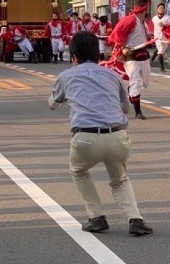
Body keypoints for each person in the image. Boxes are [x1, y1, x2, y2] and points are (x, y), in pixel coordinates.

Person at [48, 31, 152, 236]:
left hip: (85, 138)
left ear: (73, 57)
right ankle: (135, 219)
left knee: (79, 171)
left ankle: (96, 217)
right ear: (98, 55)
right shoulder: (112, 75)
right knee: (120, 179)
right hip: (117, 136)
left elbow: (52, 104)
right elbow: (125, 109)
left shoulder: (66, 76)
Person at [107, 0, 153, 119]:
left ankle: (132, 91)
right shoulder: (130, 19)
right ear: (144, 8)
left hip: (143, 53)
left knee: (145, 82)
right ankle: (138, 112)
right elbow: (117, 33)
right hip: (131, 55)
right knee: (136, 81)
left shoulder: (144, 22)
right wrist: (122, 47)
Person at [150, 2, 170, 73]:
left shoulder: (168, 18)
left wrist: (164, 25)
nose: (161, 9)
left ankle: (153, 58)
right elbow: (151, 27)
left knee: (162, 49)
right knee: (161, 51)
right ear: (157, 9)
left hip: (165, 36)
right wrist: (151, 34)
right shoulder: (154, 18)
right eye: (160, 8)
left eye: (162, 8)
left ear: (164, 9)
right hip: (157, 37)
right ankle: (162, 68)